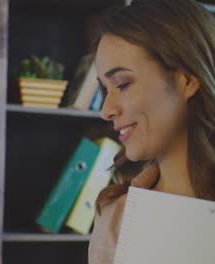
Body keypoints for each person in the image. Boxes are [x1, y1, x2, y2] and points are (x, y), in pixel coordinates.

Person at [88, 0, 215, 263]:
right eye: (104, 90)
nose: (106, 110)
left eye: (122, 84)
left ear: (188, 80)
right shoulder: (114, 218)